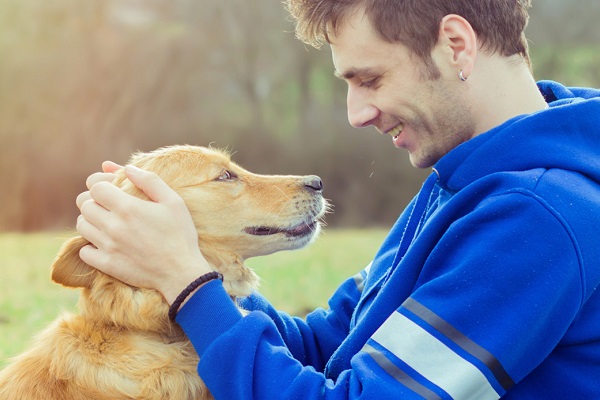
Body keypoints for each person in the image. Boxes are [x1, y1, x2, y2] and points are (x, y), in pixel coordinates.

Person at [76, 0, 600, 398]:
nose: (357, 113)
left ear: (456, 45)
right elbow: (327, 344)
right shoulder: (466, 178)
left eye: (370, 79)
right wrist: (192, 266)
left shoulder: (537, 215)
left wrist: (186, 282)